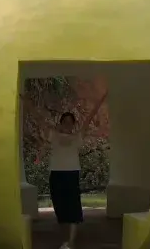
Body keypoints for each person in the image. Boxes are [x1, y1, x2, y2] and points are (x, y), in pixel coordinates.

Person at [45, 87, 107, 249]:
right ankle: (65, 240)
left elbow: (90, 116)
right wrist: (25, 102)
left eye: (70, 121)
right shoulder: (54, 135)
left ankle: (71, 243)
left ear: (73, 124)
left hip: (71, 175)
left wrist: (101, 99)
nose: (67, 124)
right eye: (64, 121)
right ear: (60, 123)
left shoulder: (77, 137)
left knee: (73, 208)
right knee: (60, 210)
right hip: (56, 175)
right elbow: (39, 119)